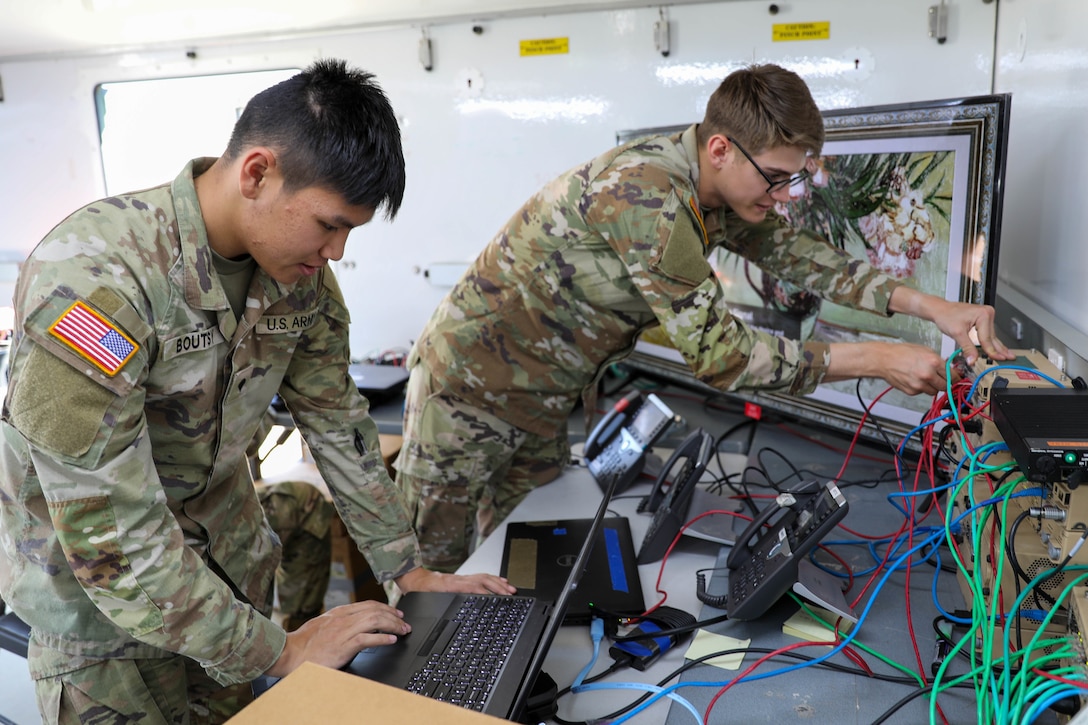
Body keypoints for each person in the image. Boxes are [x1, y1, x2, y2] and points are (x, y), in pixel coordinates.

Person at [0, 58, 513, 724]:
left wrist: (405, 569)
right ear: (257, 173)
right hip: (105, 630)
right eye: (329, 224)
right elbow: (110, 540)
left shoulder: (300, 280)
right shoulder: (95, 280)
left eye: (349, 232)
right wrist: (283, 649)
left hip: (227, 586)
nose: (335, 252)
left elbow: (337, 423)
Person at [394, 63, 1014, 573]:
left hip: (545, 395)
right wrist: (878, 359)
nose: (780, 198)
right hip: (467, 391)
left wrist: (934, 306)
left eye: (791, 182)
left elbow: (806, 258)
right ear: (720, 148)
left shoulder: (713, 188)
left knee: (521, 559)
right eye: (774, 179)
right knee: (432, 584)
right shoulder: (648, 196)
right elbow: (725, 358)